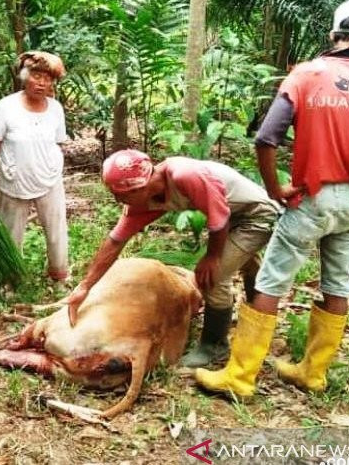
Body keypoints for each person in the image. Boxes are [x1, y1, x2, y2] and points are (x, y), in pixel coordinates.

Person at [195, 0, 349, 397]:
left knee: (272, 282)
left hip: (311, 198)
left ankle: (239, 377)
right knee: (338, 285)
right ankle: (313, 373)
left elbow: (266, 137)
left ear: (334, 35)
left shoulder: (306, 76)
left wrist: (275, 189)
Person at [65, 149, 281, 368]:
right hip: (231, 215)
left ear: (140, 187)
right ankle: (258, 319)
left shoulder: (184, 175)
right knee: (246, 266)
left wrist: (212, 257)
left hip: (256, 215)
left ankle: (214, 345)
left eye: (121, 195)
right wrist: (85, 286)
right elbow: (116, 241)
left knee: (212, 277)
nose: (117, 200)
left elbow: (219, 218)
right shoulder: (147, 199)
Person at [0, 51, 70, 283]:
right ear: (24, 76)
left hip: (49, 178)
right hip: (14, 179)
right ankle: (11, 279)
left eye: (48, 78)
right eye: (37, 76)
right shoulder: (6, 107)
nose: (42, 83)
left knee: (56, 230)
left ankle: (58, 275)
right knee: (11, 232)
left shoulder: (55, 109)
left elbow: (57, 142)